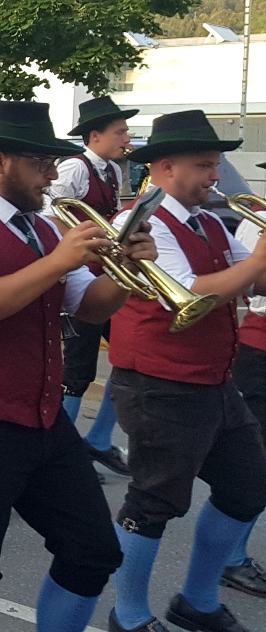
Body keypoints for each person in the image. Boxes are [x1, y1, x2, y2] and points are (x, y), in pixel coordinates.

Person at [0, 100, 150, 632]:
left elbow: (90, 306)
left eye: (52, 163)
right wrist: (59, 260)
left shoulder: (42, 228)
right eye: (40, 163)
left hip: (41, 416)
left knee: (93, 551)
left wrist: (127, 271)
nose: (50, 175)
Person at [105, 111, 266, 632]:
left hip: (213, 378)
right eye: (205, 165)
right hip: (159, 382)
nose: (216, 176)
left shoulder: (210, 221)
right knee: (153, 501)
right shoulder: (139, 223)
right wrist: (258, 260)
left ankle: (197, 601)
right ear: (166, 167)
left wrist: (260, 266)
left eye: (215, 164)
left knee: (248, 486)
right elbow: (186, 292)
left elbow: (251, 283)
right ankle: (128, 614)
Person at [51, 96, 136, 480]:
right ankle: (63, 456)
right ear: (95, 135)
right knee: (78, 370)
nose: (126, 138)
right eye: (120, 132)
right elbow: (51, 216)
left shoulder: (113, 170)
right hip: (79, 277)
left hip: (104, 275)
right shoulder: (75, 167)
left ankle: (99, 439)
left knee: (130, 356)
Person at [225, 162, 266, 598]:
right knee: (257, 464)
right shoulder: (258, 222)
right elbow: (250, 285)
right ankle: (232, 558)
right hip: (260, 351)